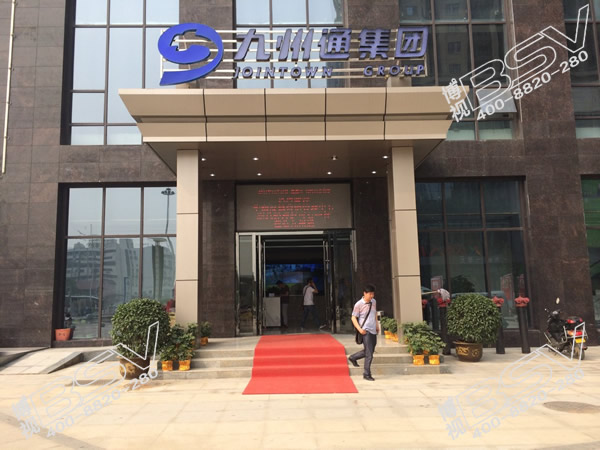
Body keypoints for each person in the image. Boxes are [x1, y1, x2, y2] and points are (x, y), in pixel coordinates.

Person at [348, 284, 379, 381]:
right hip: (365, 331)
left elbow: (374, 313)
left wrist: (377, 325)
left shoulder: (373, 301)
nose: (372, 296)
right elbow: (353, 317)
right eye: (370, 294)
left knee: (370, 350)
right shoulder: (358, 304)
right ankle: (366, 374)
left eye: (373, 294)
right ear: (364, 293)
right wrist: (359, 329)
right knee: (369, 353)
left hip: (373, 329)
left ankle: (353, 357)